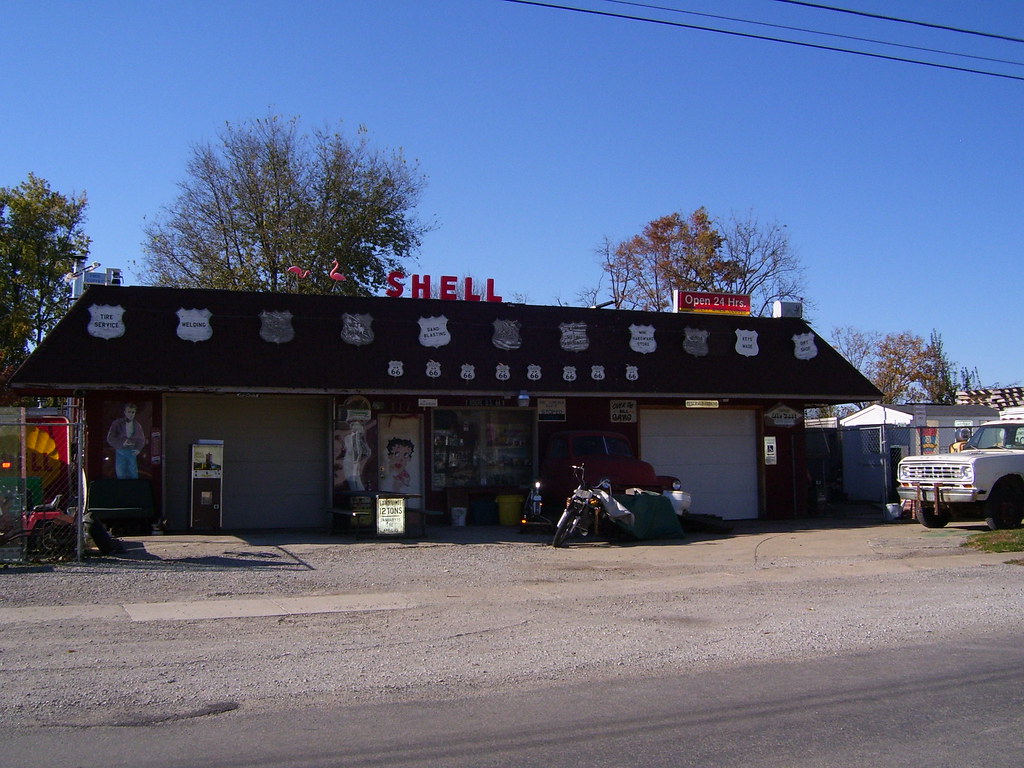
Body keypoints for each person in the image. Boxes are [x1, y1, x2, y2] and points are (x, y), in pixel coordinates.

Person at [106, 402, 146, 479]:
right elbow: (110, 438)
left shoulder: (137, 425)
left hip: (132, 452)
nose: (131, 414)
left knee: (133, 474)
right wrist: (122, 443)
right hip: (121, 451)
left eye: (133, 412)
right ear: (125, 412)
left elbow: (141, 439)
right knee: (121, 474)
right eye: (129, 412)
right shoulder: (117, 423)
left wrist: (138, 449)